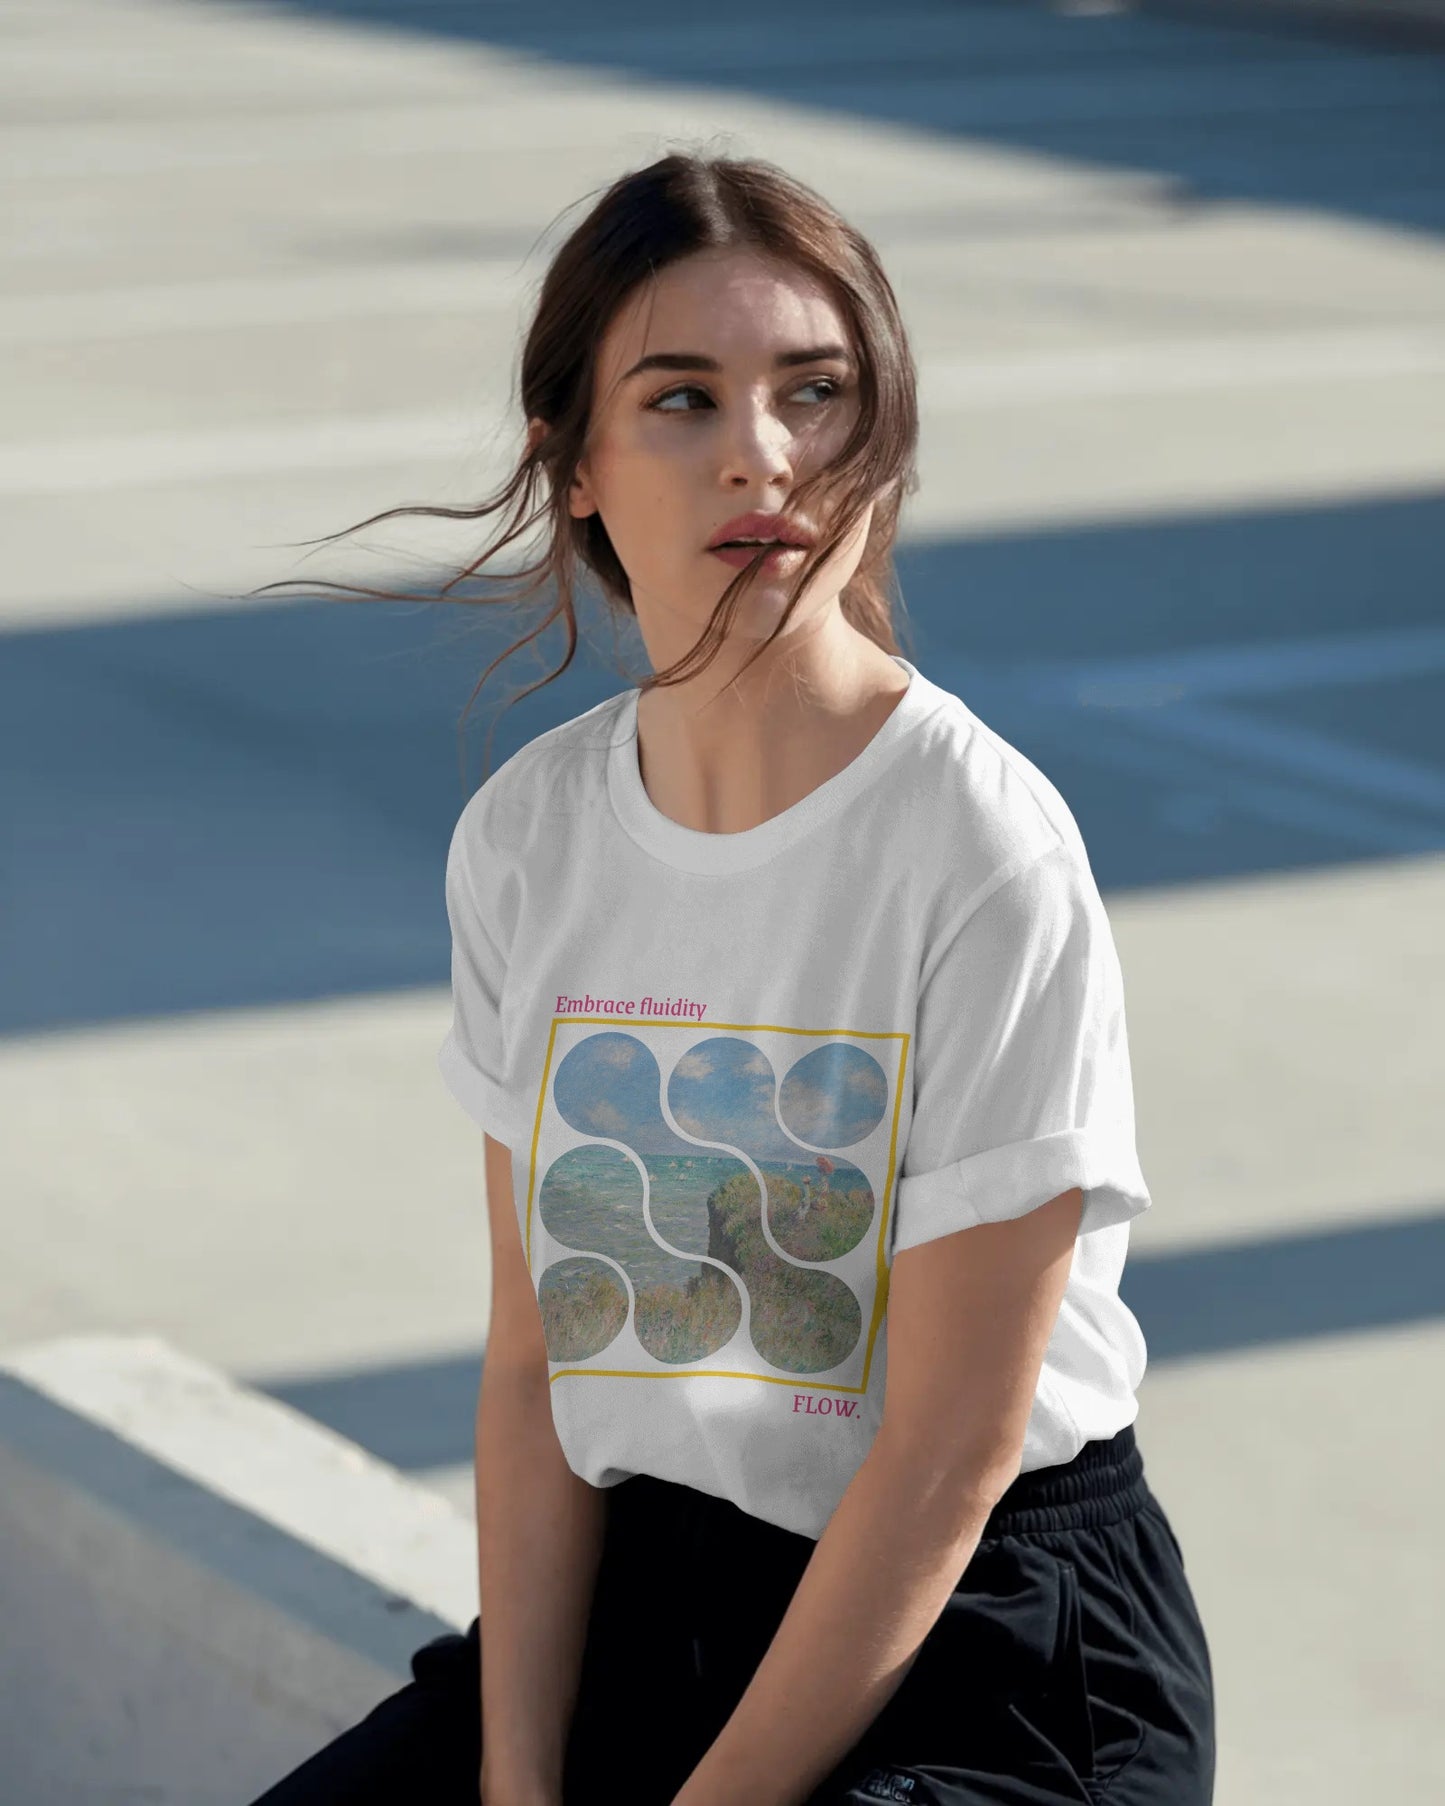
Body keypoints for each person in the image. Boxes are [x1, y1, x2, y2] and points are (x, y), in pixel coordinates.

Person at [248, 150, 1215, 1806]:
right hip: (660, 1593)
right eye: (682, 397)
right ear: (574, 464)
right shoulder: (529, 840)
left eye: (816, 393)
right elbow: (534, 1365)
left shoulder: (979, 845)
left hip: (981, 1637)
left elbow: (944, 1455)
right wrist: (515, 1773)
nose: (762, 452)